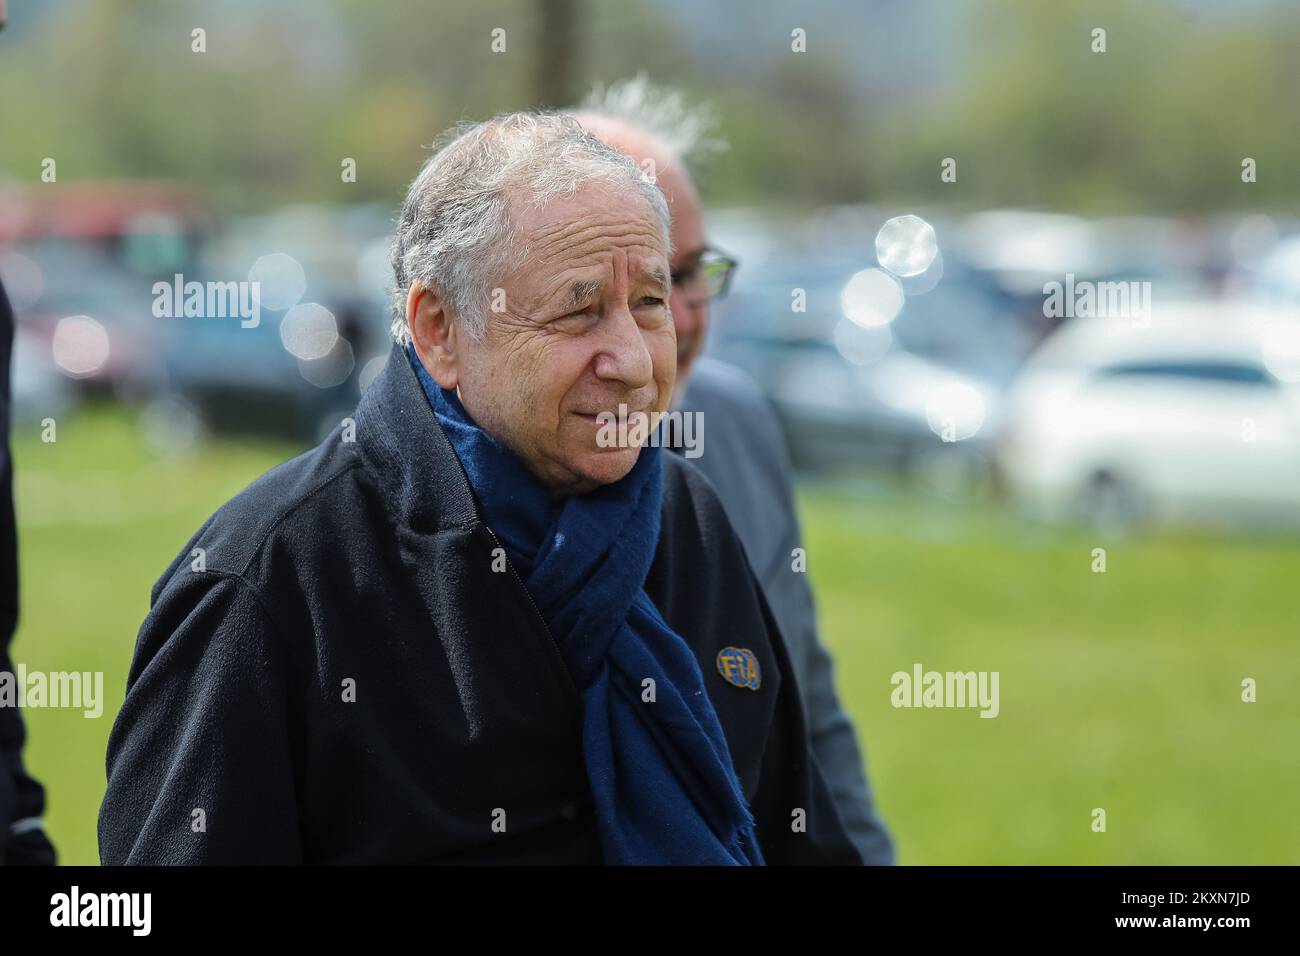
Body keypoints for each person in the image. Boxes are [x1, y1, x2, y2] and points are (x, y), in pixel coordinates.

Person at [99, 112, 861, 865]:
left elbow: (806, 839)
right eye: (579, 309)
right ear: (438, 329)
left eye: (651, 303)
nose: (632, 359)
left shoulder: (688, 521)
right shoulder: (266, 582)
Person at [573, 79, 895, 864]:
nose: (678, 318)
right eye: (643, 285)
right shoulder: (471, 466)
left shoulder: (741, 425)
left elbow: (809, 712)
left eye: (689, 275)